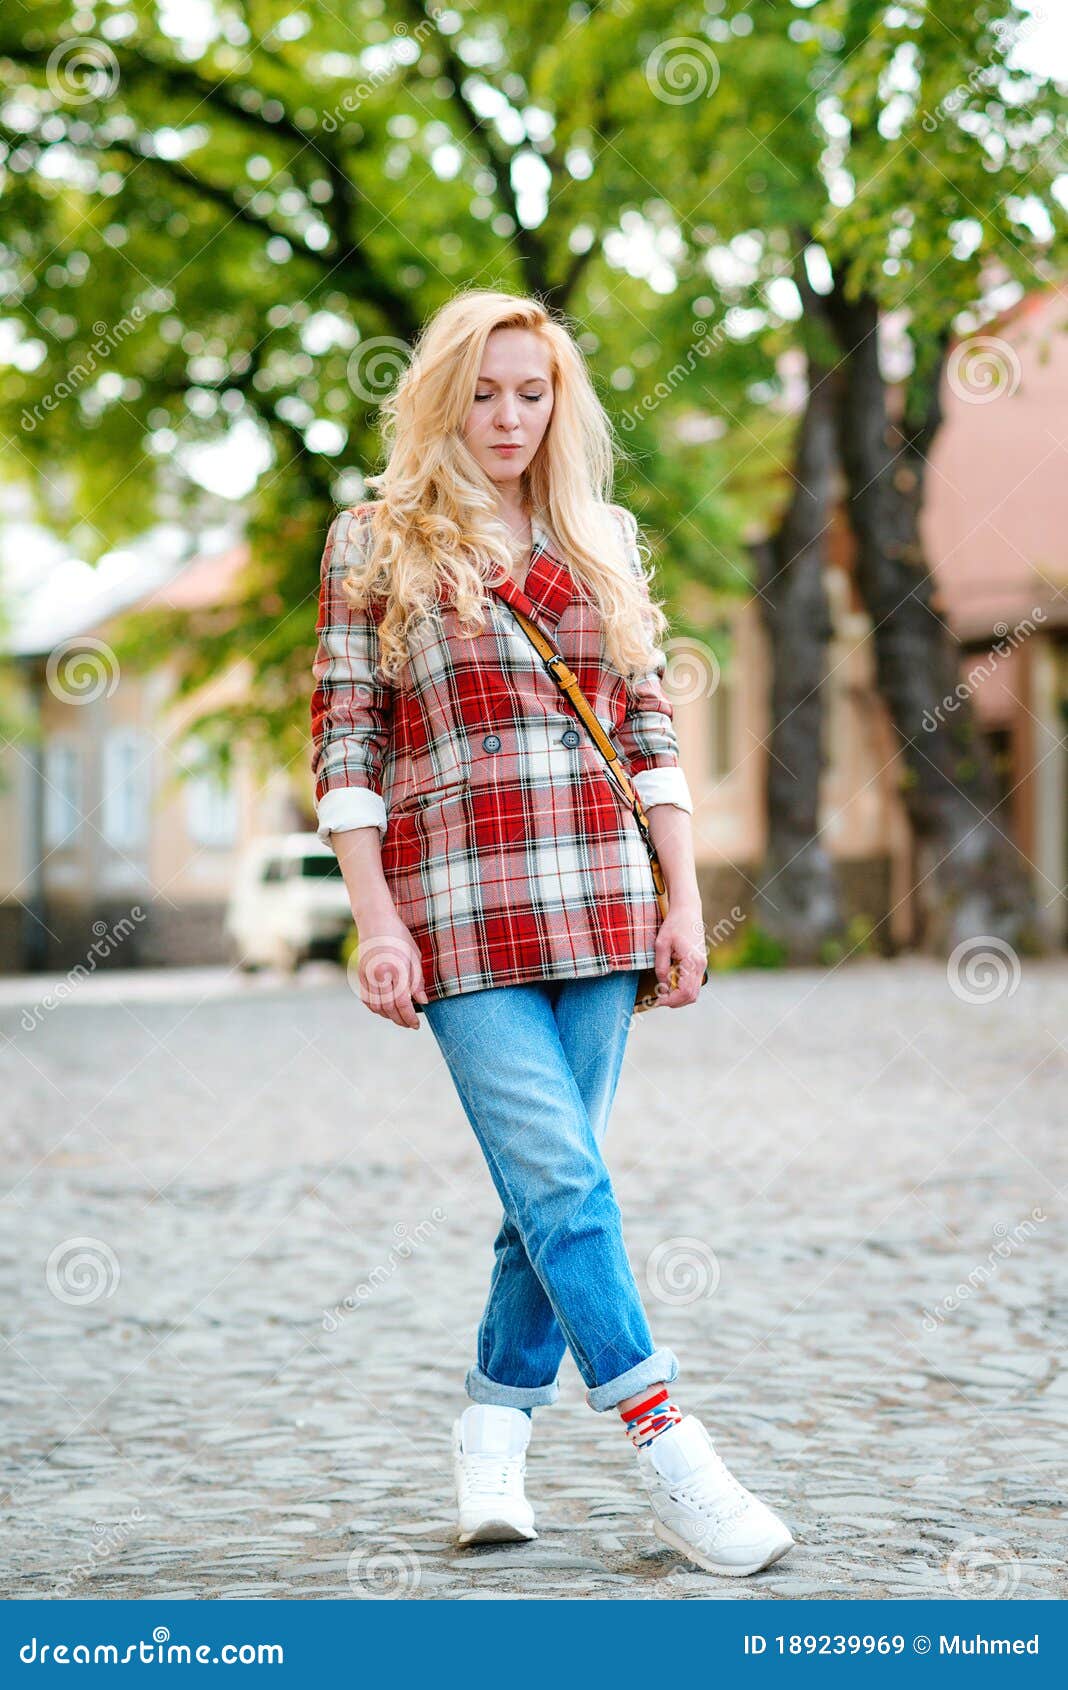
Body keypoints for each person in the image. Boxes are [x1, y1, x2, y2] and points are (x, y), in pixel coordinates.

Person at [309, 289, 793, 1577]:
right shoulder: (374, 541)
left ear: (560, 401)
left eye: (533, 391)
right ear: (439, 396)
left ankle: (491, 1436)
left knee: (545, 1193)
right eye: (483, 390)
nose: (510, 416)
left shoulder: (600, 536)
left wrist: (686, 898)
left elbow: (648, 730)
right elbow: (347, 748)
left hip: (605, 906)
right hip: (459, 922)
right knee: (567, 1182)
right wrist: (375, 923)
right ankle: (671, 1450)